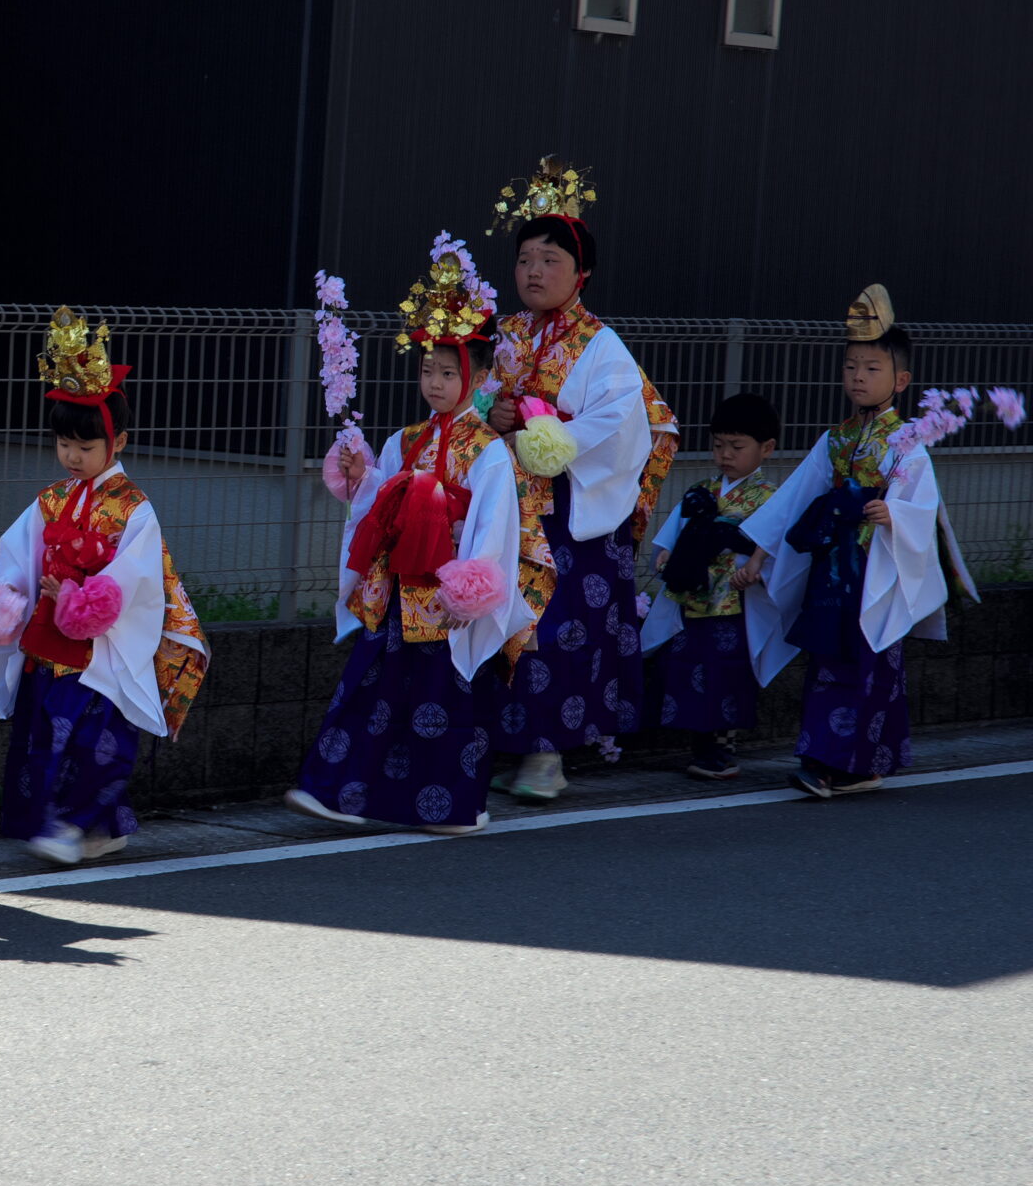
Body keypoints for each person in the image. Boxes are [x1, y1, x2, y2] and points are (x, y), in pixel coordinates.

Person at [285, 243, 531, 834]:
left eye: (448, 373)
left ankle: (454, 807)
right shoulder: (407, 439)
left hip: (445, 595)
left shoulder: (488, 451)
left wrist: (468, 590)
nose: (435, 383)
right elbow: (380, 498)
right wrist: (361, 477)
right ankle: (334, 791)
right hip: (399, 590)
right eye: (428, 371)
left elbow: (494, 525)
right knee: (369, 690)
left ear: (476, 378)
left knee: (443, 700)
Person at [0, 310, 208, 864]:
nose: (72, 456)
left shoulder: (133, 508)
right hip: (49, 641)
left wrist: (81, 602)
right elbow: (19, 557)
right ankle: (95, 825)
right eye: (63, 443)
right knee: (46, 731)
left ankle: (72, 825)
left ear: (117, 441)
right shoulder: (50, 500)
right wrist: (8, 600)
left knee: (90, 736)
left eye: (85, 445)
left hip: (100, 645)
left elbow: (137, 578)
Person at [480, 159, 677, 802]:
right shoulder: (504, 335)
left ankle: (545, 754)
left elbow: (627, 424)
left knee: (553, 624)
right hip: (506, 502)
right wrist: (491, 413)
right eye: (525, 259)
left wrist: (550, 437)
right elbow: (472, 400)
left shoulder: (600, 344)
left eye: (550, 259)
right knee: (496, 615)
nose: (534, 271)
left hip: (569, 509)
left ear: (581, 272)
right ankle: (500, 744)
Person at [741, 287, 976, 798]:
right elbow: (793, 501)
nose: (858, 377)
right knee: (830, 658)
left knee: (869, 663)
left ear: (901, 380)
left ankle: (845, 764)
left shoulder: (907, 444)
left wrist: (894, 514)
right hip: (833, 571)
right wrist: (760, 552)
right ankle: (829, 760)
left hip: (876, 567)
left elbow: (924, 507)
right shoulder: (835, 439)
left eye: (871, 368)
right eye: (850, 367)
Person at [638, 392, 784, 782]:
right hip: (694, 594)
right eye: (718, 445)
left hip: (734, 601)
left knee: (727, 671)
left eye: (736, 446)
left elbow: (775, 546)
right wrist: (666, 551)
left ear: (766, 448)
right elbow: (676, 530)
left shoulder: (770, 498)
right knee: (689, 665)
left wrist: (756, 568)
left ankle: (722, 746)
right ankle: (701, 743)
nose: (725, 455)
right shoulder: (703, 490)